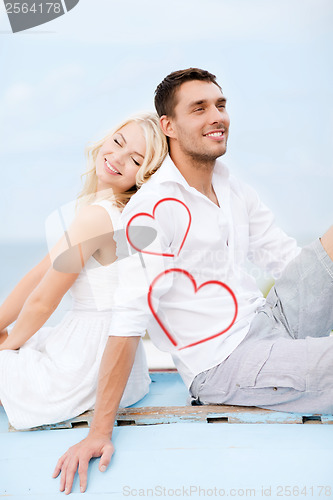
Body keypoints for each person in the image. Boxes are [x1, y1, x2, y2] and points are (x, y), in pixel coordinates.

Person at [53, 68, 333, 494]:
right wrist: (98, 433)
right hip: (222, 363)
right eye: (198, 108)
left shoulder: (232, 187)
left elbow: (287, 260)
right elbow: (128, 324)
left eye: (220, 105)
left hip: (269, 322)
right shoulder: (150, 211)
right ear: (169, 126)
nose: (215, 116)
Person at [0, 112, 168, 430]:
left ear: (145, 175)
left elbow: (43, 301)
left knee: (10, 346)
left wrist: (7, 346)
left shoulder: (96, 216)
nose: (117, 158)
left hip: (85, 363)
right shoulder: (119, 211)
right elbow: (41, 271)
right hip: (121, 362)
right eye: (117, 142)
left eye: (134, 159)